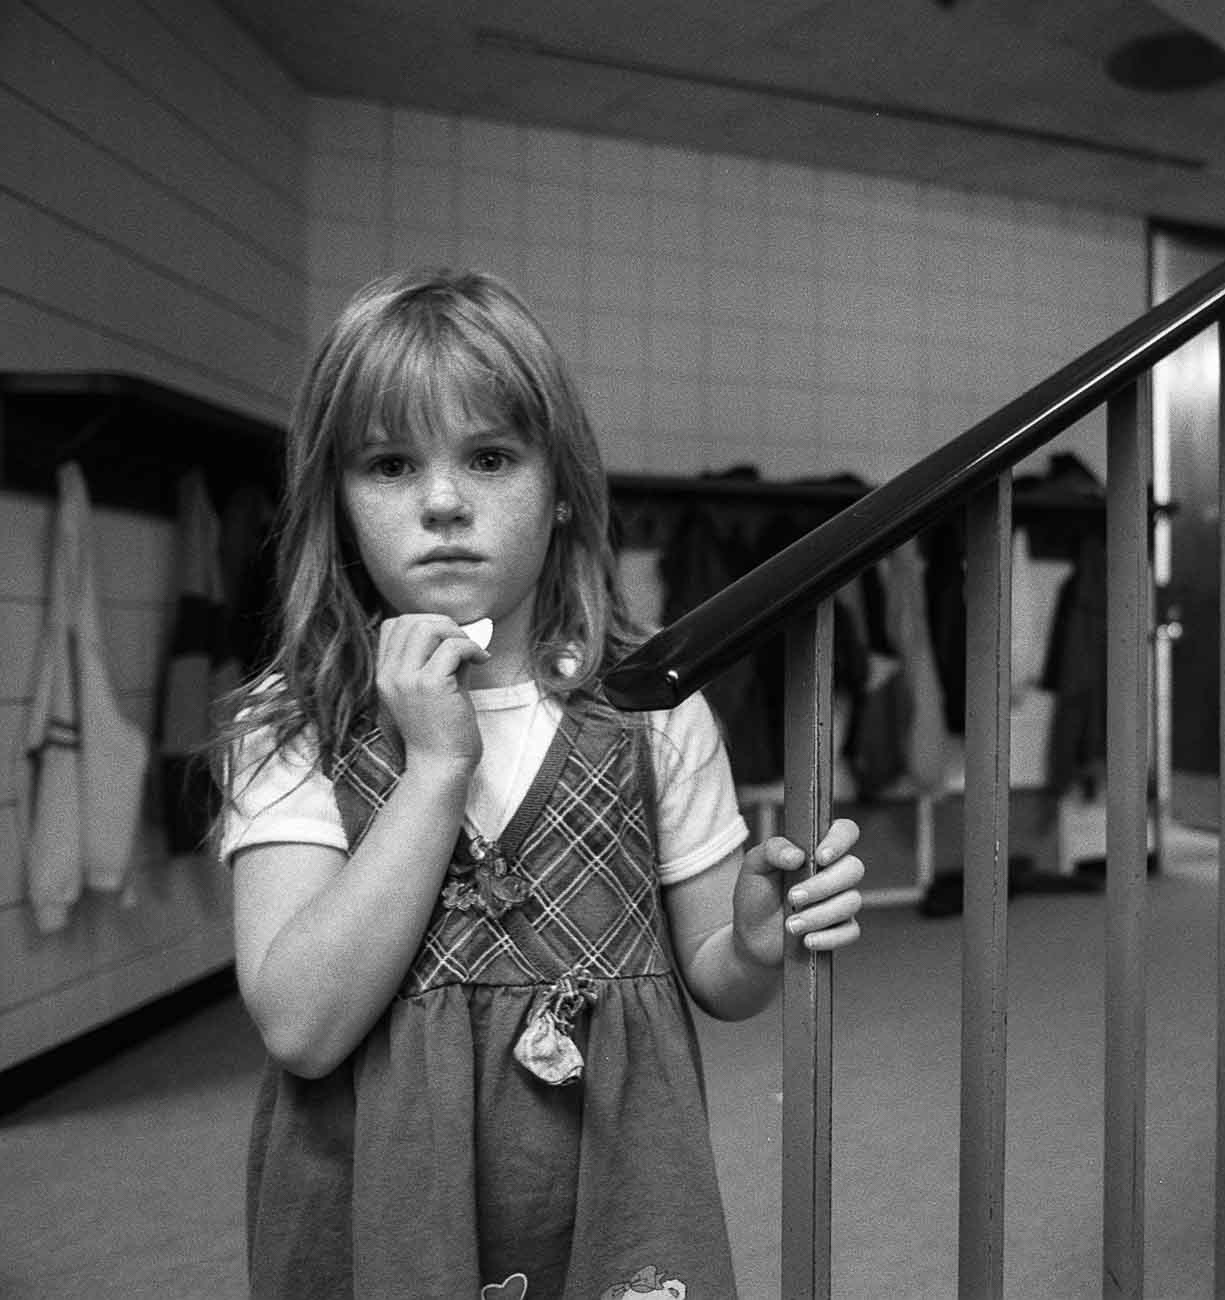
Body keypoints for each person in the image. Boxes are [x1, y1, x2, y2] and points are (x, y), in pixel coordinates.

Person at [210, 267, 866, 1299]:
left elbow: (719, 980)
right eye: (388, 464)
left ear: (561, 488)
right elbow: (301, 1024)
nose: (440, 501)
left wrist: (753, 939)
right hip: (385, 1216)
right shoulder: (294, 722)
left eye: (489, 456)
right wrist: (436, 765)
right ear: (337, 501)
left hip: (616, 1209)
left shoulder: (656, 711)